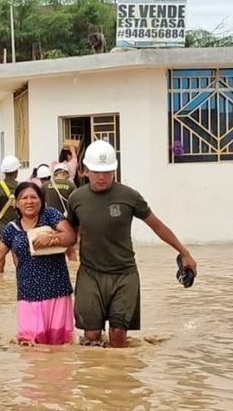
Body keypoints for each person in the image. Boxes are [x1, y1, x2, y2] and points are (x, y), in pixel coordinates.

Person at [67, 140, 198, 348]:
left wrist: (185, 253)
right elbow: (69, 234)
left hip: (124, 275)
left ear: (115, 170)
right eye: (96, 171)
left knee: (118, 337)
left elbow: (157, 226)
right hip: (90, 274)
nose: (102, 177)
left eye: (107, 171)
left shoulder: (129, 197)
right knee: (91, 337)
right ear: (84, 171)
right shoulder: (76, 198)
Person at [0, 182, 77, 345]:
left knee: (58, 347)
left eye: (34, 197)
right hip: (28, 295)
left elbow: (71, 236)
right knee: (29, 344)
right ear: (16, 203)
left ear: (41, 200)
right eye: (24, 198)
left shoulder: (50, 216)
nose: (29, 201)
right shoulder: (11, 229)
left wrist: (52, 239)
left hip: (57, 292)